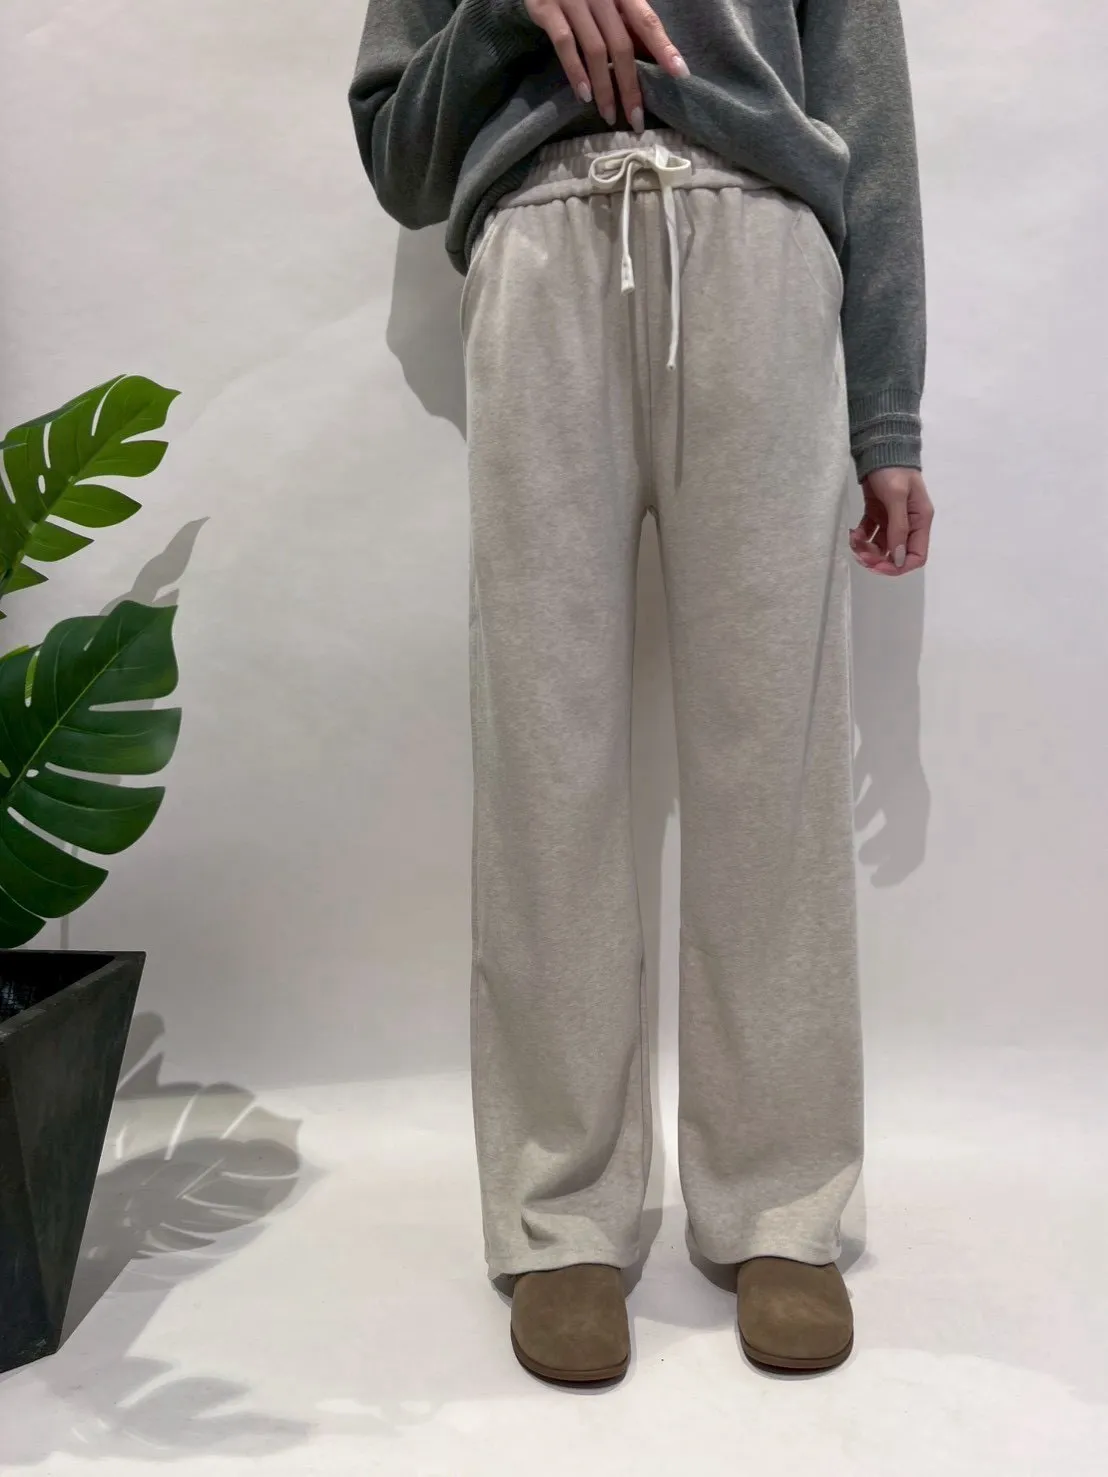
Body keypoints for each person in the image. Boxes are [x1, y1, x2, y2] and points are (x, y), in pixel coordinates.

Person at [349, 0, 934, 1385]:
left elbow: (871, 123)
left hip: (761, 252)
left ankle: (779, 1202)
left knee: (773, 757)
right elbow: (400, 156)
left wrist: (888, 414)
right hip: (541, 249)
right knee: (545, 755)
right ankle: (560, 1215)